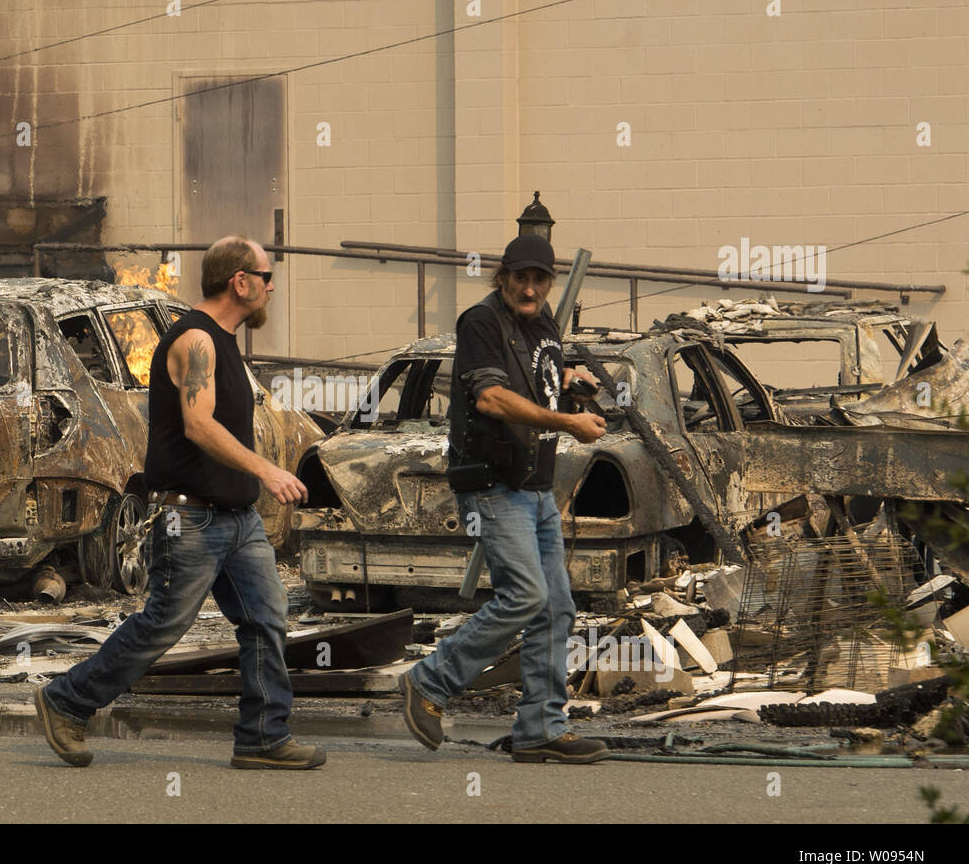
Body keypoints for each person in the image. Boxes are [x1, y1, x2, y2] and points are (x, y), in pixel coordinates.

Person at [35, 236, 325, 770]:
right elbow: (198, 424)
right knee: (163, 624)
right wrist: (267, 470)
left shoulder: (224, 340)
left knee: (267, 620)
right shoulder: (197, 341)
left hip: (237, 520)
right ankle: (65, 701)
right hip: (190, 518)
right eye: (265, 277)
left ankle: (263, 736)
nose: (271, 287)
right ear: (239, 281)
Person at [396, 233, 611, 763]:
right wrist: (568, 421)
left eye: (540, 279)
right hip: (494, 484)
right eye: (522, 278)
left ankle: (541, 726)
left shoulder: (544, 325)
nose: (531, 288)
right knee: (526, 598)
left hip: (535, 485)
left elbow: (535, 381)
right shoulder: (481, 322)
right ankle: (428, 682)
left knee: (556, 608)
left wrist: (566, 383)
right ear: (504, 276)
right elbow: (490, 397)